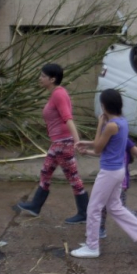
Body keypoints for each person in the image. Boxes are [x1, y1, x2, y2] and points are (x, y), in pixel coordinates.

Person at [71, 89, 137, 258]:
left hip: (109, 172)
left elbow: (98, 147)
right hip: (117, 171)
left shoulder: (110, 125)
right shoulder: (122, 122)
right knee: (114, 207)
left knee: (94, 208)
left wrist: (99, 124)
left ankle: (92, 246)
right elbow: (105, 145)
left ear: (104, 106)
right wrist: (86, 144)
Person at [16, 63, 89, 224]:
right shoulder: (56, 93)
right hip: (57, 143)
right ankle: (35, 206)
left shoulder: (59, 94)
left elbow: (68, 118)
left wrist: (77, 142)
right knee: (46, 173)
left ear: (52, 79)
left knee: (73, 178)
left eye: (43, 76)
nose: (39, 79)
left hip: (63, 144)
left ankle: (84, 213)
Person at [78, 137, 137, 239]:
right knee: (109, 206)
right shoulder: (113, 133)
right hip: (116, 178)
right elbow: (104, 152)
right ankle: (100, 229)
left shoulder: (119, 134)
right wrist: (87, 152)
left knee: (117, 208)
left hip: (118, 180)